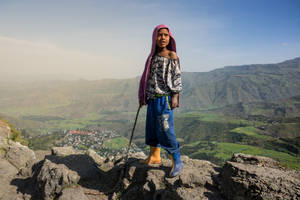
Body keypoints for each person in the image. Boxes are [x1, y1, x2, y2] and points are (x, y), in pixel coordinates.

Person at [138, 24, 183, 177]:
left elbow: (177, 77)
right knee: (151, 127)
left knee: (165, 129)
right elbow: (147, 79)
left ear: (170, 37)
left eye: (165, 35)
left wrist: (175, 96)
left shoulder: (172, 56)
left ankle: (177, 160)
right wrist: (143, 96)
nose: (162, 38)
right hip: (152, 99)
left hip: (164, 99)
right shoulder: (152, 57)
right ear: (154, 38)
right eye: (159, 35)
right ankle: (154, 156)